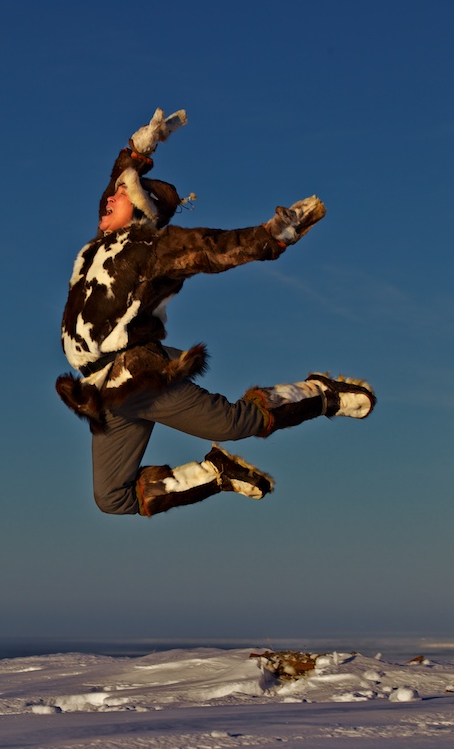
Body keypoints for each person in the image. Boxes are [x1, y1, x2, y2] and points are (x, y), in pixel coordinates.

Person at [56, 108, 376, 518]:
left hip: (139, 375)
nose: (109, 198)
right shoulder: (96, 248)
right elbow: (117, 182)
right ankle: (215, 473)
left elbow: (212, 249)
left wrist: (272, 237)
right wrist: (138, 149)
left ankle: (321, 395)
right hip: (101, 394)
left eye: (121, 196)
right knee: (111, 497)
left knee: (235, 423)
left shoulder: (152, 248)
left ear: (139, 209)